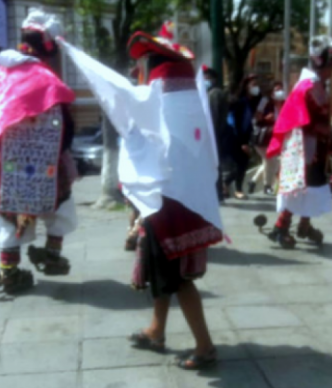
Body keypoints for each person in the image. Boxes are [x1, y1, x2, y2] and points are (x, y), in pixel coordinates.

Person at [60, 20, 223, 369]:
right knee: (161, 276)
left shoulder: (161, 104)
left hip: (171, 212)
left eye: (142, 64)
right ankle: (156, 330)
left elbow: (145, 146)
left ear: (153, 68)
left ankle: (205, 345)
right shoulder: (183, 103)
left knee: (178, 281)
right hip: (172, 209)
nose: (136, 70)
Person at [0, 9, 78, 294]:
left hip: (5, 162)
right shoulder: (47, 78)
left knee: (7, 212)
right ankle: (52, 253)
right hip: (47, 162)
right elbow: (66, 126)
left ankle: (8, 271)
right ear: (50, 48)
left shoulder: (4, 75)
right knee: (61, 204)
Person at [264, 37, 332, 249]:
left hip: (317, 147)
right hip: (304, 148)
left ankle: (305, 224)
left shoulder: (317, 85)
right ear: (321, 64)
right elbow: (298, 120)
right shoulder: (306, 87)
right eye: (331, 66)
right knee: (298, 186)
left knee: (313, 185)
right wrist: (321, 129)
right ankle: (281, 227)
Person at [224, 75, 259, 200]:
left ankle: (227, 184)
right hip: (234, 138)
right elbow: (237, 123)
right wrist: (242, 143)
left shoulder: (250, 102)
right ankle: (236, 189)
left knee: (242, 163)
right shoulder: (240, 102)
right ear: (246, 87)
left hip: (241, 138)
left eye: (256, 84)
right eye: (253, 85)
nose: (256, 87)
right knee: (241, 163)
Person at [249, 81, 284, 196]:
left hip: (275, 137)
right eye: (277, 89)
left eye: (281, 89)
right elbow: (256, 117)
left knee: (268, 162)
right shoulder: (265, 101)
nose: (279, 92)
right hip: (263, 137)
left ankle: (253, 181)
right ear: (272, 91)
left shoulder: (283, 104)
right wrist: (265, 118)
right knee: (272, 162)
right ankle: (267, 186)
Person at [203, 66, 229, 202]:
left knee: (214, 164)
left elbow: (213, 117)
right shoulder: (214, 93)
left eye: (206, 77)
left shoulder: (214, 94)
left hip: (213, 135)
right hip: (216, 134)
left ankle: (217, 192)